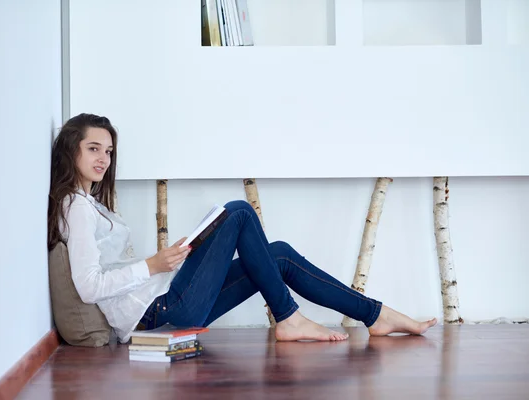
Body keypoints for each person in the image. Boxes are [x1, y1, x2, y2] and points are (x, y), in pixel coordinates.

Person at [47, 113, 437, 344]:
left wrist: (174, 260)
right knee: (236, 212)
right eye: (94, 148)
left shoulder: (91, 205)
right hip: (161, 312)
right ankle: (288, 317)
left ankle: (376, 315)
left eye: (109, 151)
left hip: (167, 300)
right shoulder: (74, 207)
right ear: (72, 150)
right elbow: (88, 285)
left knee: (279, 254)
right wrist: (153, 264)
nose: (104, 158)